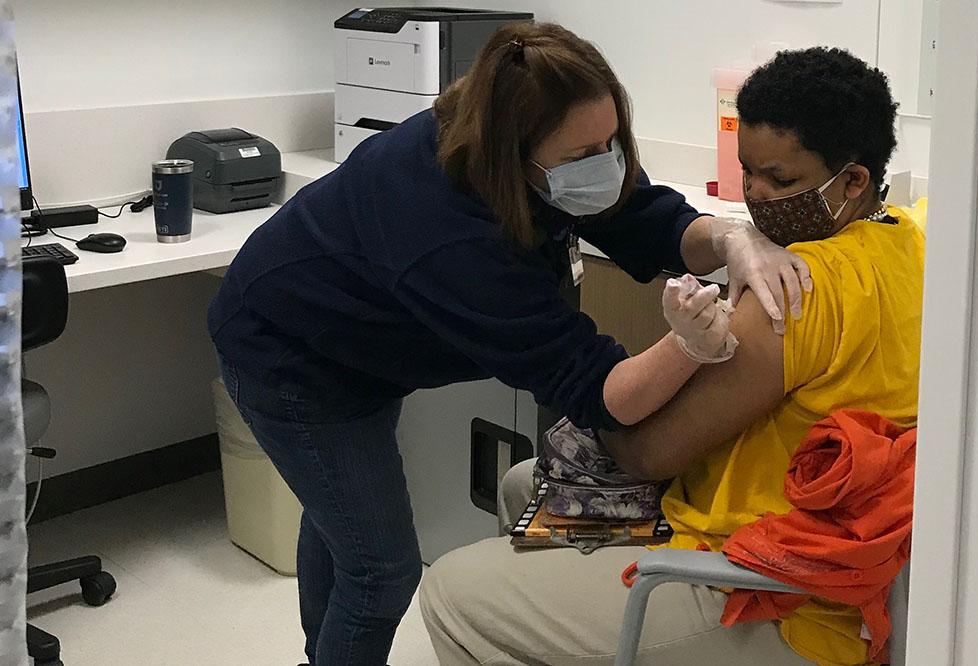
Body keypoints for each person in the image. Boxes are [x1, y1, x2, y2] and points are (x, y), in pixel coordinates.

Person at [208, 22, 811, 666]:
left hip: (360, 346)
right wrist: (686, 348)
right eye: (584, 154)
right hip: (290, 355)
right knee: (380, 570)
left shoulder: (523, 141)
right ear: (513, 157)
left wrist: (729, 239)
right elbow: (600, 393)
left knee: (343, 524)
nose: (604, 163)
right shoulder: (451, 238)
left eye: (611, 142)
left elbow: (638, 215)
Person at [420, 47, 924, 666]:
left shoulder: (793, 291)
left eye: (782, 181)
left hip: (771, 592)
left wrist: (674, 356)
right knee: (521, 483)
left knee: (448, 589)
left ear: (853, 180)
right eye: (748, 172)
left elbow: (649, 451)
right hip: (827, 542)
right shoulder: (912, 236)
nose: (759, 199)